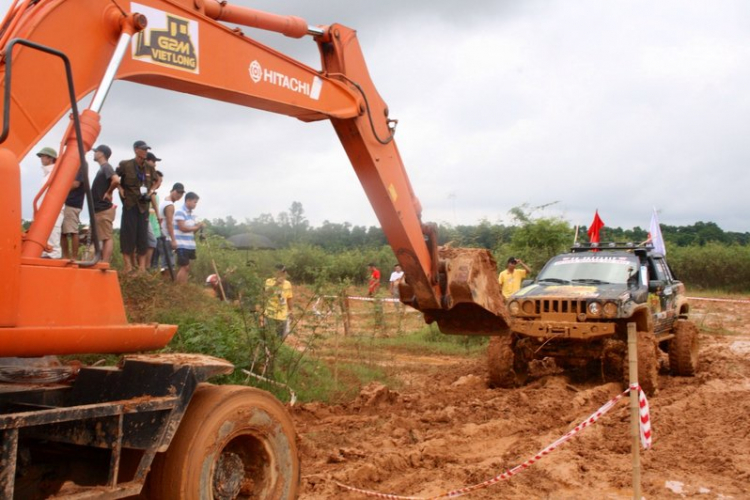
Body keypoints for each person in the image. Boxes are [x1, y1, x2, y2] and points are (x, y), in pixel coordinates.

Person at [116, 140, 157, 273]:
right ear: (136, 150)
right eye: (143, 149)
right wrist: (119, 188)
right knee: (128, 235)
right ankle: (128, 265)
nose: (145, 152)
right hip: (130, 204)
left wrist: (151, 192)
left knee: (142, 236)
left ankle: (141, 268)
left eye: (146, 149)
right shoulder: (125, 165)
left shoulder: (149, 168)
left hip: (143, 206)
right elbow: (115, 178)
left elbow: (157, 181)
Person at [90, 144, 119, 263]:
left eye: (96, 151)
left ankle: (104, 262)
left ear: (101, 153)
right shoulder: (102, 168)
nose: (94, 153)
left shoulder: (106, 167)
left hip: (103, 209)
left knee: (106, 237)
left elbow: (116, 180)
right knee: (100, 237)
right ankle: (99, 261)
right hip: (98, 209)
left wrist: (109, 192)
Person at [36, 146, 63, 259]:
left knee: (53, 230)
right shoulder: (48, 173)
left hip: (53, 208)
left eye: (43, 156)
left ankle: (54, 253)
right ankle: (47, 252)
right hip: (45, 208)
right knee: (47, 231)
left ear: (50, 158)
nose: (41, 158)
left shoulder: (54, 172)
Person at [173, 191, 205, 283]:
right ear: (188, 201)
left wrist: (198, 227)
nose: (195, 204)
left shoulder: (191, 215)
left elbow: (192, 231)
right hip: (181, 244)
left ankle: (184, 286)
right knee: (184, 267)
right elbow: (182, 228)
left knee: (187, 268)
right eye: (194, 202)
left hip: (189, 244)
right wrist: (197, 226)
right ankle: (179, 287)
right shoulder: (180, 212)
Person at [261, 265, 294, 339]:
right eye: (279, 272)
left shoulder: (288, 284)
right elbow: (266, 295)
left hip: (282, 316)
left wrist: (291, 311)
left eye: (283, 272)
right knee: (268, 337)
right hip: (270, 314)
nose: (281, 274)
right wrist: (276, 284)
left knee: (280, 338)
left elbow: (289, 298)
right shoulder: (269, 281)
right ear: (275, 272)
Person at [159, 182, 185, 275]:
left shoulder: (164, 201)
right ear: (172, 191)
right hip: (166, 237)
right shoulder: (169, 205)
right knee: (168, 264)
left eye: (181, 193)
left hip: (162, 236)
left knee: (165, 263)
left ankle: (165, 283)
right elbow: (169, 223)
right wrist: (173, 240)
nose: (179, 195)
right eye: (178, 192)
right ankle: (167, 285)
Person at [61, 163, 85, 259]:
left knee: (72, 230)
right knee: (63, 232)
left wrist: (61, 190)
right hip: (70, 203)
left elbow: (76, 184)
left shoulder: (80, 166)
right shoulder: (78, 165)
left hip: (72, 203)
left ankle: (73, 257)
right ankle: (66, 256)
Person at [144, 158, 163, 269]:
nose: (159, 183)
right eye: (158, 181)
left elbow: (155, 213)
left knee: (155, 260)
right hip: (147, 227)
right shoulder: (148, 193)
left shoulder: (156, 196)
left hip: (155, 231)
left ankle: (148, 270)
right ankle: (145, 268)